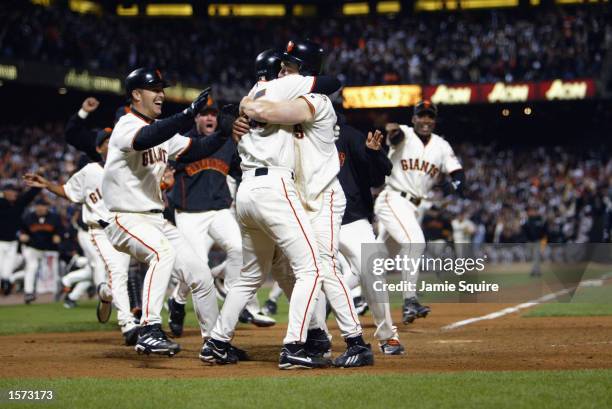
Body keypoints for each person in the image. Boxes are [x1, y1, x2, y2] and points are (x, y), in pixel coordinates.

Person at [201, 45, 349, 369]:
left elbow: (242, 109)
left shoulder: (254, 94)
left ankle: (216, 342)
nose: (285, 71)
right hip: (275, 187)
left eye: (289, 66)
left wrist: (237, 114)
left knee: (250, 276)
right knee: (311, 268)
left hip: (247, 191)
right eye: (281, 67)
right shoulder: (285, 88)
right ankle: (295, 345)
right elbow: (327, 83)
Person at [101, 67, 232, 357]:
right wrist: (186, 115)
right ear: (136, 95)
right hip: (124, 217)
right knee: (162, 254)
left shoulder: (161, 131)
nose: (161, 94)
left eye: (162, 89)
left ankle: (215, 342)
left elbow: (197, 149)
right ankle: (148, 329)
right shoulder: (126, 124)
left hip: (156, 220)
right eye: (154, 89)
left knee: (200, 274)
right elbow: (146, 138)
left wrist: (224, 131)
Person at [167, 101, 274, 336]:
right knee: (198, 268)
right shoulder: (183, 142)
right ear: (196, 118)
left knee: (239, 249)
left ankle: (234, 296)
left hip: (218, 210)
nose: (209, 118)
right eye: (204, 114)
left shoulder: (226, 143)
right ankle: (178, 301)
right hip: (188, 212)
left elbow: (240, 171)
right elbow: (164, 170)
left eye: (213, 114)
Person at [23, 130, 139, 345]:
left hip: (126, 229)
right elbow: (68, 192)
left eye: (113, 140)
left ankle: (105, 293)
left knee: (121, 276)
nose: (111, 143)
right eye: (105, 141)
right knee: (118, 273)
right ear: (98, 149)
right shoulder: (89, 171)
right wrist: (48, 184)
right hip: (100, 230)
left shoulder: (131, 167)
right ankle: (128, 324)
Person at [375, 100, 465, 324]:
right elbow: (393, 134)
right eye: (421, 115)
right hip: (393, 197)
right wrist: (392, 130)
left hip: (411, 207)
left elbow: (459, 176)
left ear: (434, 120)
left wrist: (452, 185)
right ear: (414, 118)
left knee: (374, 261)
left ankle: (331, 300)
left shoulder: (442, 146)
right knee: (415, 242)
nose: (425, 120)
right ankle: (409, 301)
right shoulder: (404, 133)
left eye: (429, 116)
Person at [334, 116, 404, 355]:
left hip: (351, 218)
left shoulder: (347, 135)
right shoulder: (296, 134)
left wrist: (374, 154)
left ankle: (387, 336)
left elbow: (379, 175)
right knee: (311, 279)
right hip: (315, 220)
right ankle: (314, 338)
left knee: (372, 268)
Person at [20, 198, 63, 304]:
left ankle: (55, 293)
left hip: (49, 249)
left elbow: (61, 231)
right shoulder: (28, 217)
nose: (40, 208)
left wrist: (58, 236)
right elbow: (21, 231)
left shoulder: (54, 217)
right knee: (31, 267)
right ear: (35, 207)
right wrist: (22, 236)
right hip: (32, 247)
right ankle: (28, 292)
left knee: (52, 271)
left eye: (43, 206)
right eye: (38, 206)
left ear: (47, 207)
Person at [0, 184, 41, 295]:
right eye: (12, 191)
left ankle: (6, 284)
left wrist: (38, 181)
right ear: (5, 192)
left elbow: (30, 195)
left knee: (7, 272)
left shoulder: (18, 204)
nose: (15, 193)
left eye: (16, 191)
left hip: (12, 243)